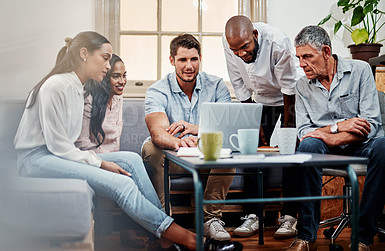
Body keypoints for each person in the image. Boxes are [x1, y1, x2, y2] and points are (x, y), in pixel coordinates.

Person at [13, 31, 242, 251]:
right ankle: (192, 241)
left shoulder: (77, 87)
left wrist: (98, 161)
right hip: (37, 158)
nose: (107, 65)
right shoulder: (57, 85)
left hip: (58, 155)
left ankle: (162, 238)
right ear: (84, 54)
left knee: (132, 159)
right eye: (104, 58)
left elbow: (66, 145)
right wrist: (101, 163)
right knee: (122, 183)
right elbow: (58, 146)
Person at [288, 25, 385, 251]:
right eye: (299, 57)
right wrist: (340, 126)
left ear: (326, 52)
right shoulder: (301, 86)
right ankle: (306, 236)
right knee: (308, 145)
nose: (301, 64)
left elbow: (370, 124)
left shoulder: (360, 70)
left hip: (362, 145)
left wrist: (328, 135)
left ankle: (363, 237)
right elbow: (304, 132)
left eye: (307, 56)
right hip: (323, 149)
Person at [142, 34, 235, 241]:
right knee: (151, 149)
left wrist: (194, 129)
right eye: (183, 60)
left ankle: (211, 220)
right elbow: (157, 133)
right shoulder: (158, 90)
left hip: (206, 154)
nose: (189, 66)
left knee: (228, 155)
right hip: (174, 158)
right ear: (172, 60)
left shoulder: (217, 85)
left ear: (200, 58)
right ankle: (163, 220)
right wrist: (179, 142)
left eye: (194, 59)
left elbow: (226, 130)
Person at [223, 15, 301, 239]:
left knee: (289, 153)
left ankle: (289, 217)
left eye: (245, 47)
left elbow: (289, 87)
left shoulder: (278, 42)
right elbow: (238, 83)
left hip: (287, 100)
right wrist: (251, 120)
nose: (241, 53)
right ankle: (253, 216)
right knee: (251, 153)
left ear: (255, 35)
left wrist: (287, 128)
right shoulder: (229, 43)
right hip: (260, 100)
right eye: (235, 49)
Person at [75, 54, 126, 153]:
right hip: (94, 159)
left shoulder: (118, 98)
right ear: (104, 77)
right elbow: (82, 143)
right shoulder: (88, 100)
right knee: (133, 158)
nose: (122, 81)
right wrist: (108, 162)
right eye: (116, 76)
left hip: (114, 159)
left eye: (124, 75)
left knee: (133, 159)